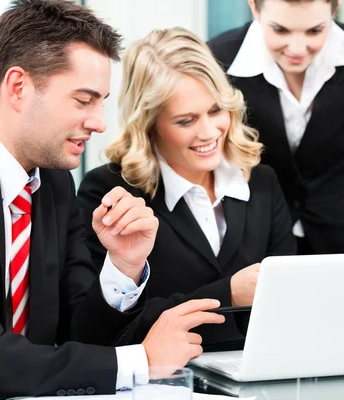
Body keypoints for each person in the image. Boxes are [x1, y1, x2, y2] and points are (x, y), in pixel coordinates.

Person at [0, 1, 225, 397]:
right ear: (18, 87)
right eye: (83, 100)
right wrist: (141, 360)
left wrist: (123, 266)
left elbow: (78, 336)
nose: (98, 122)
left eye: (101, 102)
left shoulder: (54, 181)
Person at [78, 27, 296, 346]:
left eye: (215, 111)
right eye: (186, 121)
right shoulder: (110, 192)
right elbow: (107, 330)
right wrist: (228, 294)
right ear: (150, 125)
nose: (209, 132)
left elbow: (286, 305)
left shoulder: (261, 181)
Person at [208, 0, 344, 255]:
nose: (297, 48)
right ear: (254, 8)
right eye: (280, 30)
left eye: (314, 31)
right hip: (255, 231)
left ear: (335, 9)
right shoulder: (219, 58)